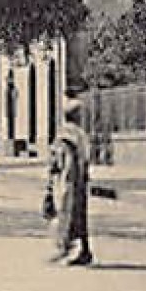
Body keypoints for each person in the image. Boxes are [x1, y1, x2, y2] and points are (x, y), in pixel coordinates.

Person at [43, 97, 93, 266]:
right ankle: (78, 249)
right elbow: (82, 158)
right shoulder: (77, 134)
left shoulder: (63, 133)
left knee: (67, 214)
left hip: (65, 179)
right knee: (76, 214)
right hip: (74, 178)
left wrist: (51, 181)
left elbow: (55, 160)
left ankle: (71, 249)